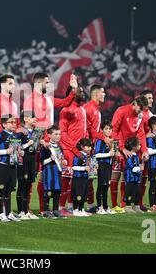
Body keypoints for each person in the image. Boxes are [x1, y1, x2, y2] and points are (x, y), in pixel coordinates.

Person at [23, 72, 78, 218]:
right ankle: (26, 209)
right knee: (31, 177)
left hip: (49, 143)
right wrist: (39, 140)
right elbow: (27, 122)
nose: (49, 85)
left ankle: (44, 209)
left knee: (46, 176)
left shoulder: (47, 98)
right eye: (47, 83)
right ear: (39, 83)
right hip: (36, 143)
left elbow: (65, 102)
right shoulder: (29, 100)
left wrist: (73, 90)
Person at [0, 74, 20, 219]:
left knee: (9, 180)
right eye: (11, 83)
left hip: (12, 144)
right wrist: (8, 139)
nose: (14, 86)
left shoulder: (14, 104)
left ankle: (7, 210)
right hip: (1, 144)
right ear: (3, 85)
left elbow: (16, 125)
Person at [110, 96, 149, 213]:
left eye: (143, 109)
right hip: (120, 149)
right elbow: (114, 131)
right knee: (117, 176)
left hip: (132, 151)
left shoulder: (140, 116)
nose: (141, 111)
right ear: (135, 103)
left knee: (131, 178)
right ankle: (115, 205)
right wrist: (121, 148)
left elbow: (141, 133)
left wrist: (145, 150)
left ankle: (127, 204)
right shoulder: (121, 111)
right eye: (140, 108)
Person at [58, 86, 88, 216]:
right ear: (72, 93)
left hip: (80, 152)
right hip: (70, 151)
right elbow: (63, 134)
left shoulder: (82, 109)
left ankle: (71, 207)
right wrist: (75, 150)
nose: (83, 93)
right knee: (66, 180)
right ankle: (60, 207)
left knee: (75, 181)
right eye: (80, 91)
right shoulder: (66, 110)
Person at [0, 114, 22, 222]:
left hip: (13, 166)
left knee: (9, 191)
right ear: (4, 124)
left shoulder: (15, 136)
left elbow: (17, 150)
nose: (14, 124)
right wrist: (5, 152)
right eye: (11, 122)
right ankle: (0, 214)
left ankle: (8, 213)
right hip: (3, 166)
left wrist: (20, 152)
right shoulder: (0, 135)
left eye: (15, 122)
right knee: (1, 190)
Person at [83, 85, 109, 213]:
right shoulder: (88, 108)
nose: (104, 94)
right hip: (85, 148)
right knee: (82, 177)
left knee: (90, 177)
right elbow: (89, 131)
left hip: (91, 149)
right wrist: (103, 138)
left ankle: (90, 205)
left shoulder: (96, 109)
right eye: (103, 92)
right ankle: (73, 206)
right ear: (96, 94)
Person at [16, 111, 40, 220]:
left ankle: (26, 211)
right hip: (23, 161)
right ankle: (21, 211)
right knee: (22, 185)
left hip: (32, 161)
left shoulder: (36, 132)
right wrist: (27, 144)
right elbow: (16, 146)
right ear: (25, 119)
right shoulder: (20, 132)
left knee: (28, 186)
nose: (35, 119)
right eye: (32, 117)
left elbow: (34, 147)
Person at [39, 125, 66, 219]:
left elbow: (61, 159)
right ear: (49, 135)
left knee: (57, 191)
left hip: (57, 172)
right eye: (56, 134)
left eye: (59, 134)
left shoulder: (59, 147)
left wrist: (63, 161)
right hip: (48, 172)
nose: (58, 136)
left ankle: (55, 210)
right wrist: (50, 159)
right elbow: (42, 161)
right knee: (48, 191)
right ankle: (46, 211)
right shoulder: (46, 147)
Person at [94, 121, 117, 215]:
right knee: (101, 186)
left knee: (106, 186)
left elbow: (112, 154)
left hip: (108, 165)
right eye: (106, 129)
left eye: (110, 129)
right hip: (102, 165)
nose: (108, 131)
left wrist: (115, 154)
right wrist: (109, 154)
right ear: (102, 130)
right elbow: (96, 155)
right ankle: (99, 207)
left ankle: (106, 206)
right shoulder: (100, 141)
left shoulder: (112, 141)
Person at [138, 90, 154, 212]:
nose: (151, 100)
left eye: (152, 98)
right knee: (136, 176)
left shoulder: (151, 114)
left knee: (144, 177)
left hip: (148, 150)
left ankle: (140, 203)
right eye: (149, 98)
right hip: (139, 150)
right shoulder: (139, 114)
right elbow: (138, 132)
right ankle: (130, 203)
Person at [71, 138, 93, 217]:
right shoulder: (78, 155)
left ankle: (81, 209)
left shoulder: (88, 156)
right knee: (78, 193)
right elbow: (74, 167)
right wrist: (84, 168)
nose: (90, 148)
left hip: (85, 178)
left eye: (91, 146)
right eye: (88, 146)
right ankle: (75, 209)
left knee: (84, 194)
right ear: (82, 147)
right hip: (78, 178)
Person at [122, 137, 144, 213]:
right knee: (129, 192)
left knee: (138, 192)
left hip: (136, 179)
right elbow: (132, 168)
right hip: (130, 179)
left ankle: (136, 206)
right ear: (134, 147)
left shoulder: (136, 156)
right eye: (139, 145)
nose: (140, 146)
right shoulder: (130, 156)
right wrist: (140, 168)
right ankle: (127, 206)